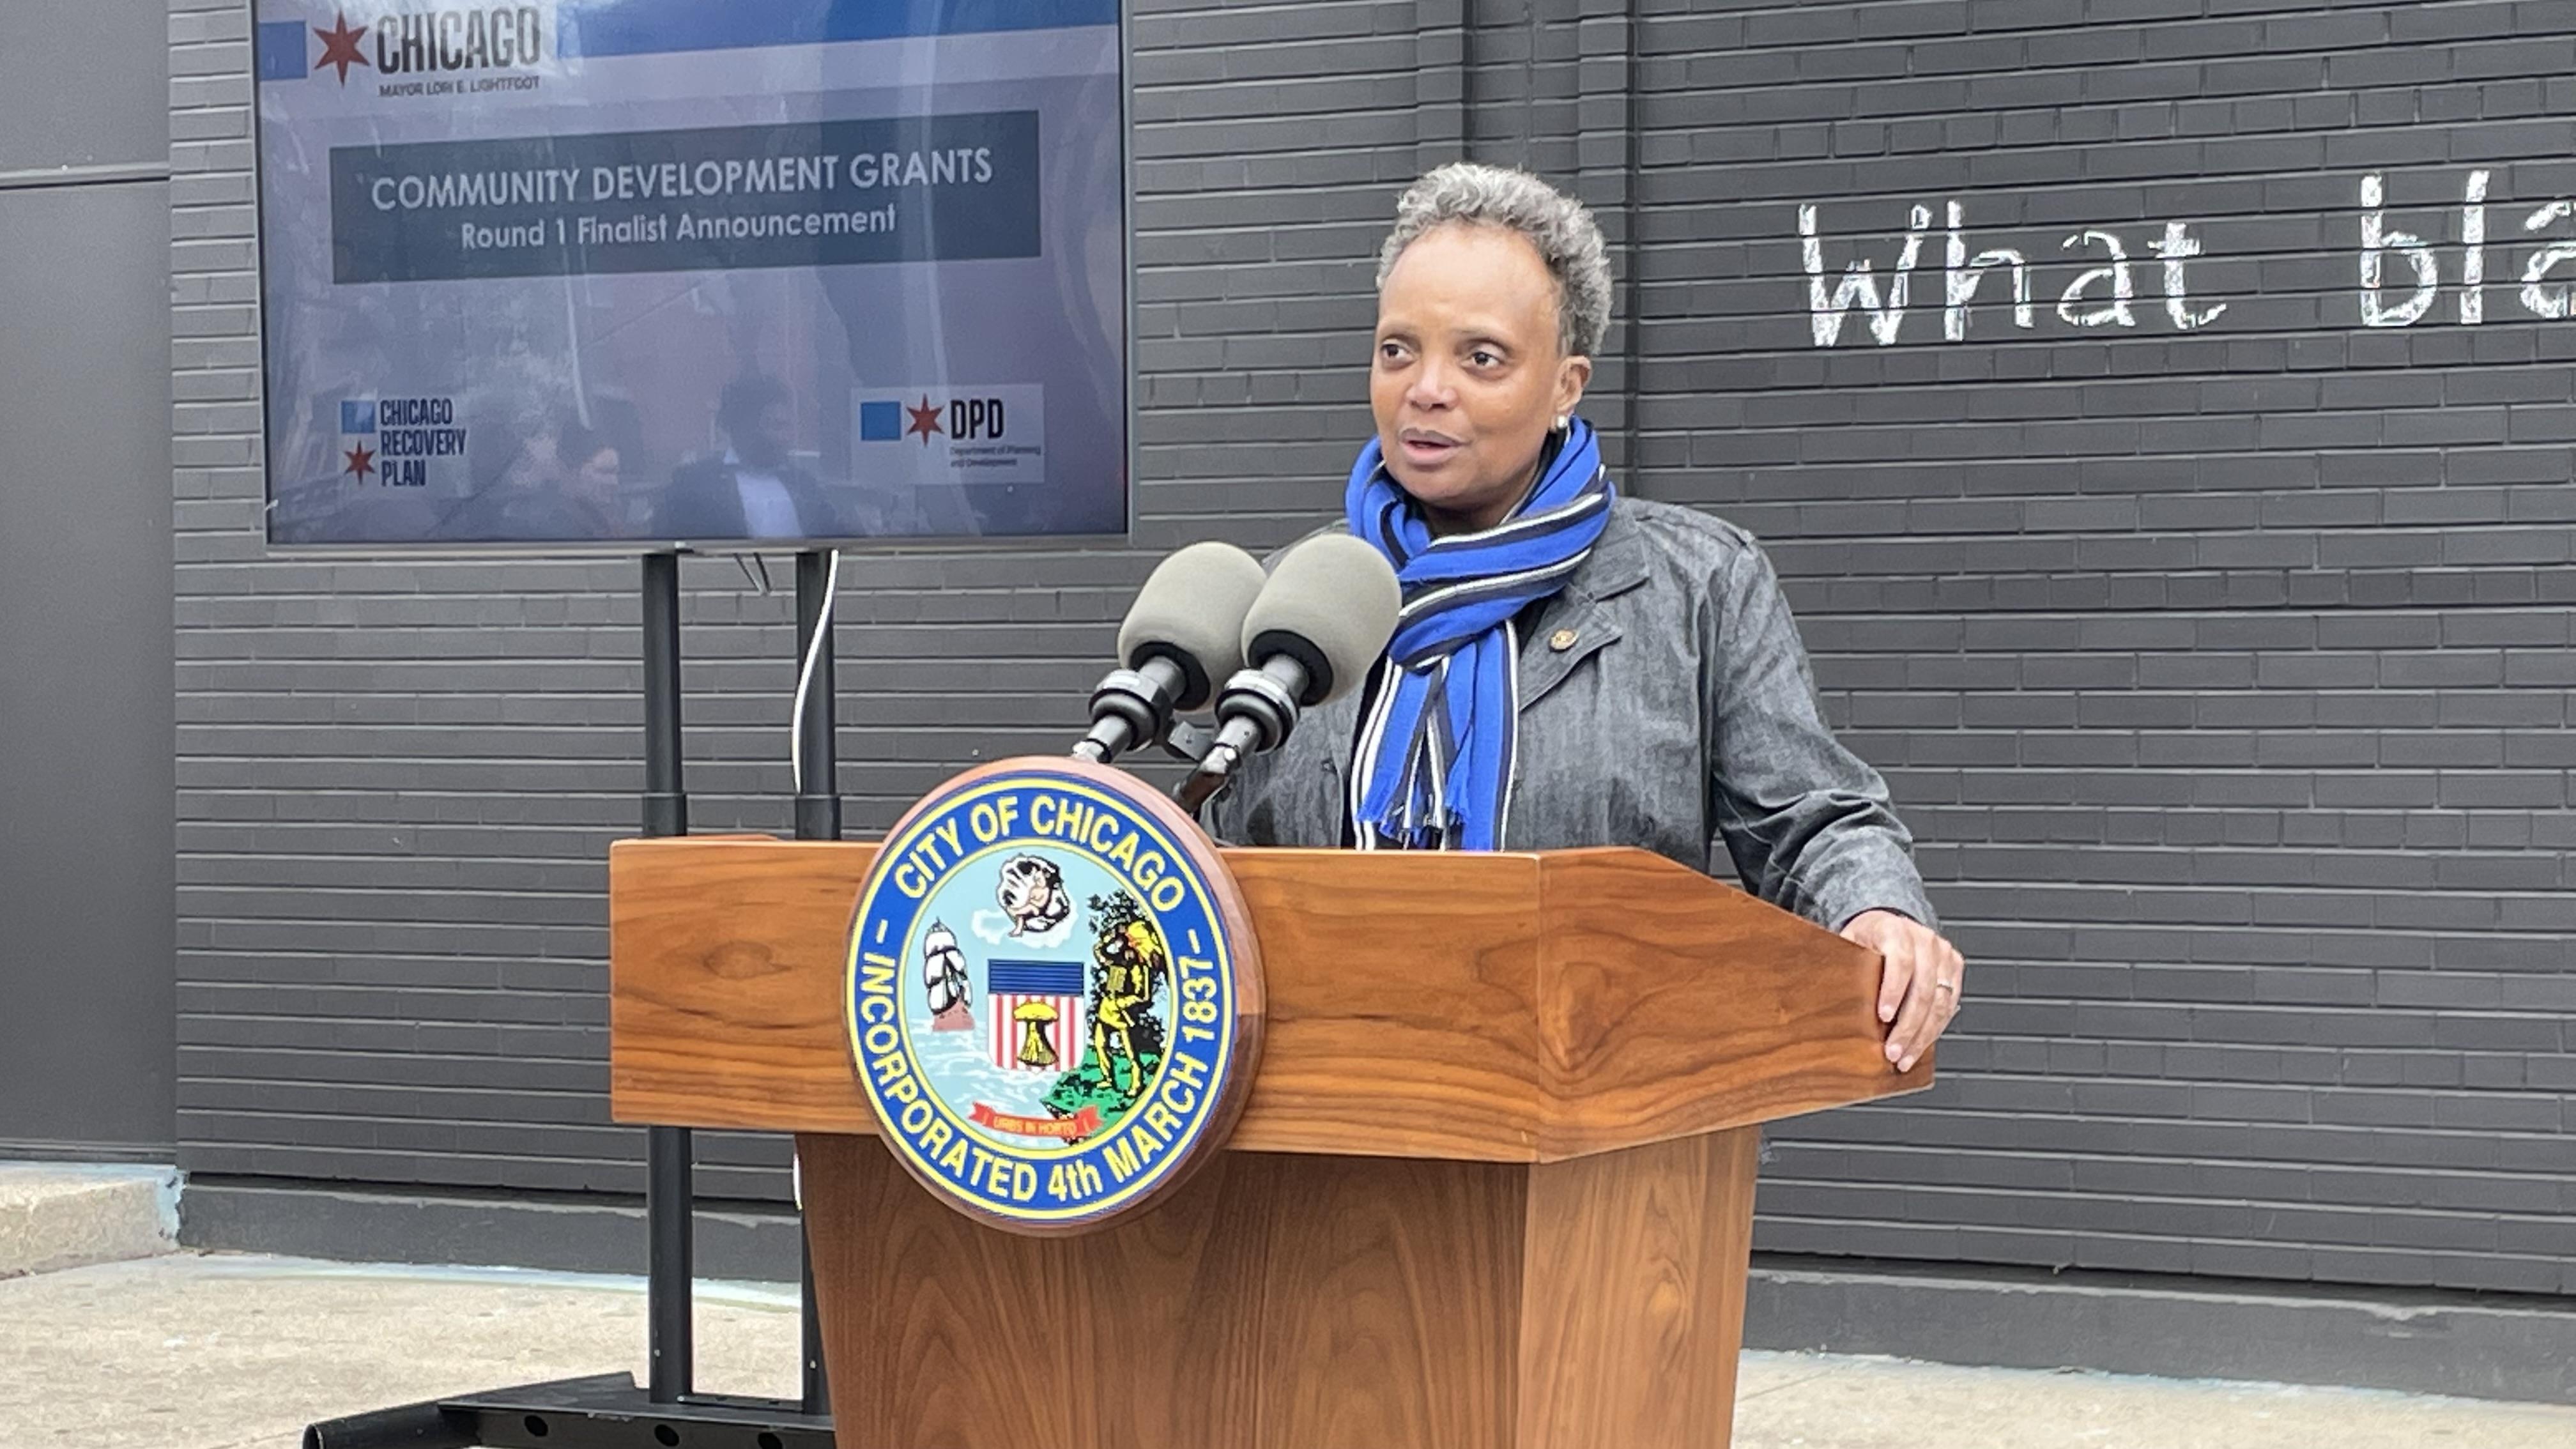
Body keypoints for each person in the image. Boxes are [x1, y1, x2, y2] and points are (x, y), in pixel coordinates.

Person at [1206, 163, 1966, 1073]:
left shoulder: (1696, 586)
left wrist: (1875, 911)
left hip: (1611, 1135)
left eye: (1480, 357)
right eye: (1398, 349)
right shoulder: (1296, 600)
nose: (1426, 388)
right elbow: (1222, 872)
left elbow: (1810, 819)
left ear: (1567, 384)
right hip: (1322, 1122)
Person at [663, 374, 842, 542]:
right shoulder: (694, 484)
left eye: (787, 426)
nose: (786, 438)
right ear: (742, 427)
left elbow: (835, 537)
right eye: (775, 426)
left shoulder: (804, 484)